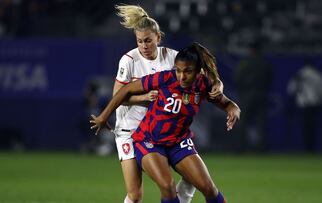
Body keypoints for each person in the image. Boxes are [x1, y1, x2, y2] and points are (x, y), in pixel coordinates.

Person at [90, 42, 240, 203]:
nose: (182, 76)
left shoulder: (203, 85)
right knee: (167, 186)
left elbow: (227, 104)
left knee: (209, 188)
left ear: (198, 71)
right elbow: (126, 90)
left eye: (188, 71)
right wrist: (103, 117)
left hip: (179, 142)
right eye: (179, 70)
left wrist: (234, 110)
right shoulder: (165, 78)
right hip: (149, 141)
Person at [111, 4, 224, 203]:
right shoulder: (128, 60)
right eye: (139, 42)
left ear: (158, 38)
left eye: (148, 41)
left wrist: (219, 84)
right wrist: (143, 98)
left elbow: (203, 75)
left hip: (161, 130)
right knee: (135, 195)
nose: (144, 46)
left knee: (192, 179)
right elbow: (118, 96)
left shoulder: (172, 57)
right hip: (129, 129)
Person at [234, 41, 272, 152]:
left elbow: (237, 78)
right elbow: (269, 79)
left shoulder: (245, 62)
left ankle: (241, 148)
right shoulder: (265, 63)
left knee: (243, 122)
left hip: (247, 95)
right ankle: (262, 148)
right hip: (261, 94)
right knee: (261, 123)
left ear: (251, 50)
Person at [287, 63, 322, 152]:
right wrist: (319, 99)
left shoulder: (299, 74)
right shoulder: (317, 75)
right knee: (313, 127)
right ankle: (312, 148)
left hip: (303, 104)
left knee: (305, 127)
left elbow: (291, 90)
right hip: (315, 104)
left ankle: (307, 149)